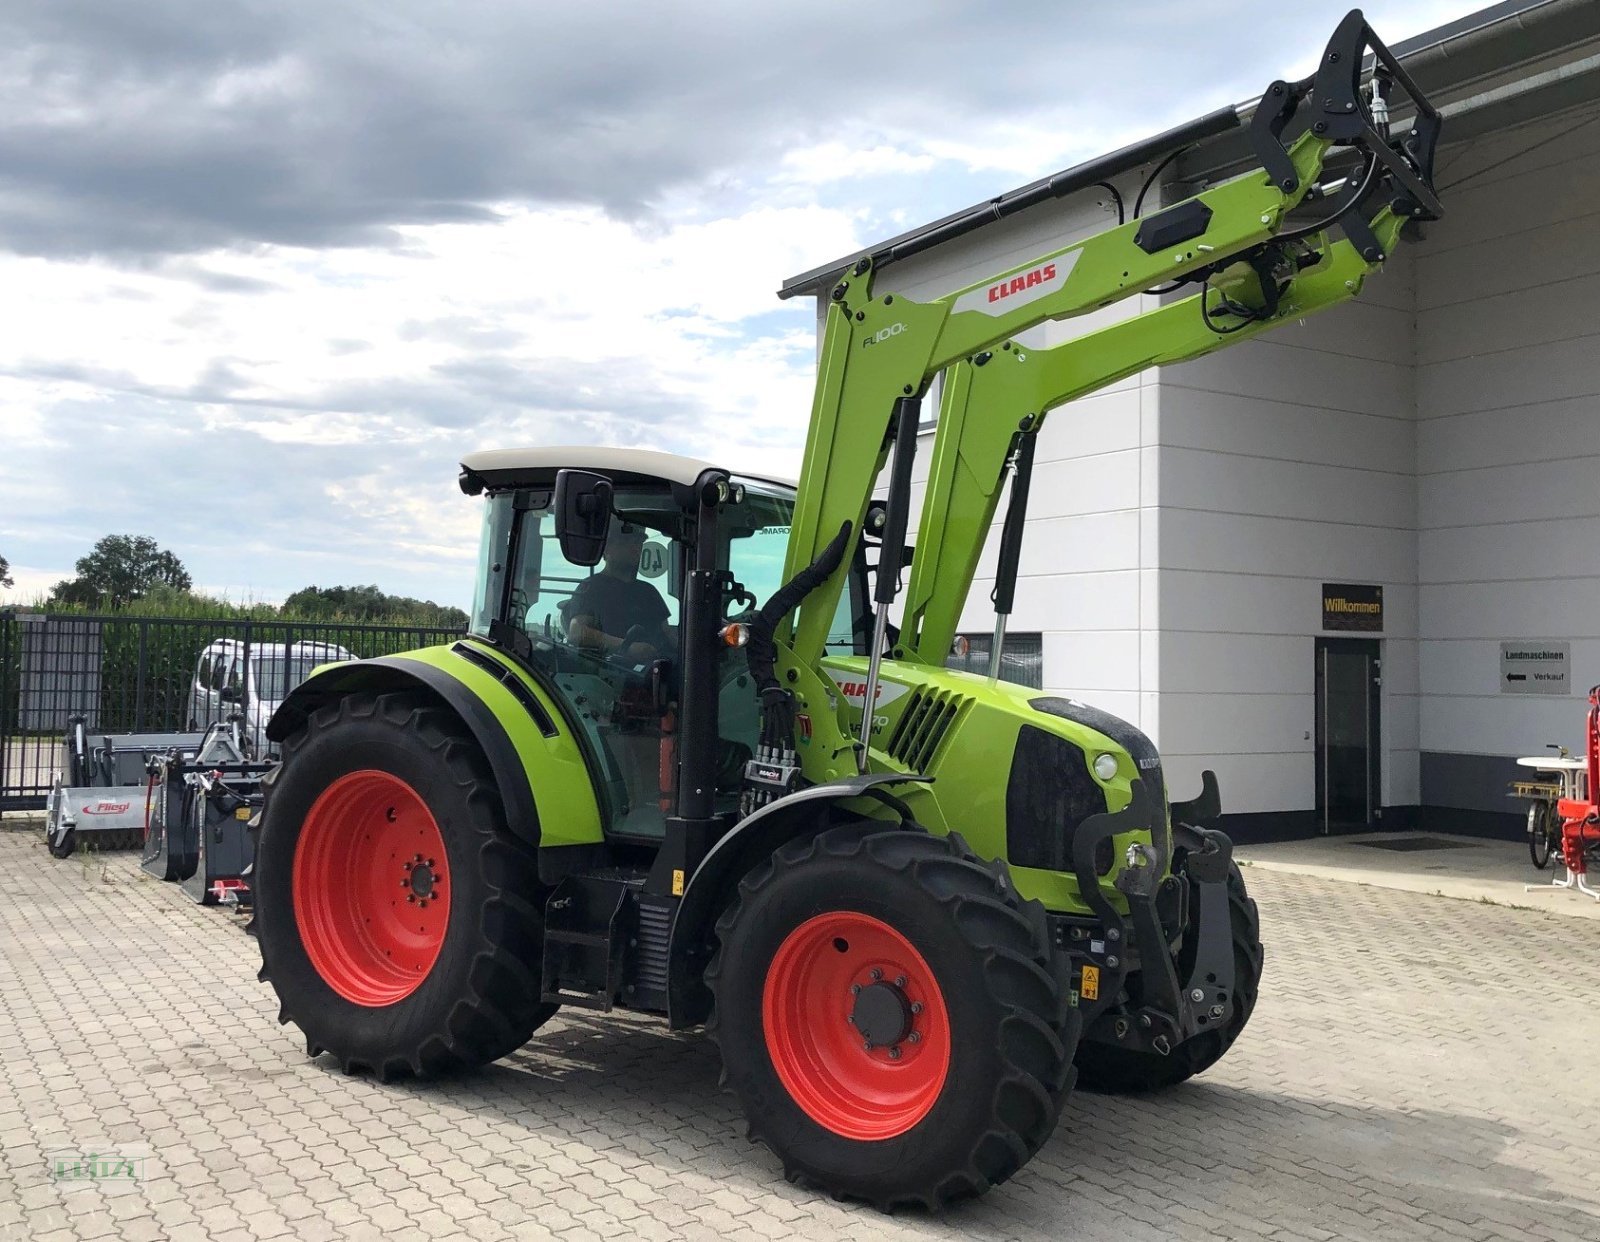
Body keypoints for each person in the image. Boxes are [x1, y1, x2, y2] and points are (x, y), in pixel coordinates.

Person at [565, 523, 671, 662]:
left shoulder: (648, 591)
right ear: (606, 549)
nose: (635, 548)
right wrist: (626, 646)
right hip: (609, 673)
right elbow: (577, 632)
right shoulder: (592, 587)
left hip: (654, 671)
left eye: (638, 542)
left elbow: (667, 633)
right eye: (626, 542)